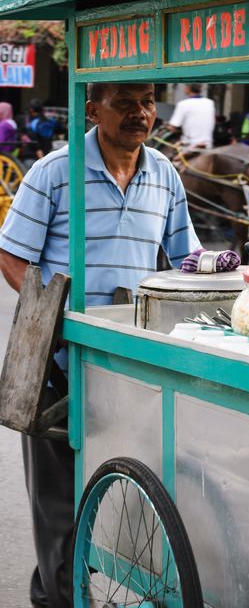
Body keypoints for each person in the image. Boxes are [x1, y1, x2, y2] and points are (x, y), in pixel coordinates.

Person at [0, 82, 201, 608]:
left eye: (149, 101)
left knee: (111, 500)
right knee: (58, 508)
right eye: (125, 102)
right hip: (59, 364)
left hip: (129, 362)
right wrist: (61, 319)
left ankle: (60, 595)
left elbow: (186, 260)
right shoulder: (54, 172)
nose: (140, 113)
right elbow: (13, 258)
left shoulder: (163, 174)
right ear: (92, 109)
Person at [167, 83, 215, 151]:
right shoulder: (210, 103)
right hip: (208, 145)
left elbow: (172, 127)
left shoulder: (183, 104)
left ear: (188, 88)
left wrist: (169, 127)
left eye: (185, 87)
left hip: (190, 145)